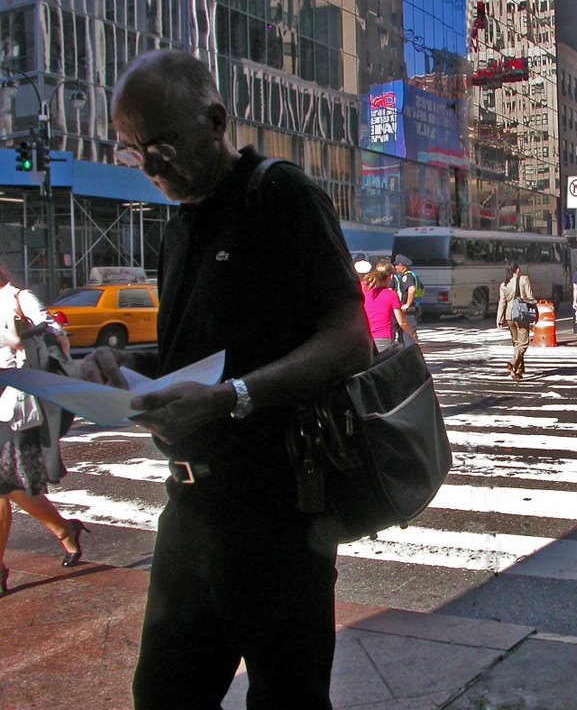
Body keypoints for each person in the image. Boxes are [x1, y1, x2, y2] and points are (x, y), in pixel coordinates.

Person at [79, 49, 373, 710]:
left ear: (215, 120)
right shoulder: (178, 225)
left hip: (280, 515)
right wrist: (121, 372)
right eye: (132, 151)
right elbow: (192, 351)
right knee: (161, 695)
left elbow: (351, 338)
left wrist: (232, 398)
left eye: (160, 146)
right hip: (189, 514)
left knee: (287, 699)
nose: (150, 168)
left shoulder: (282, 195)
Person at [0, 264, 87, 596]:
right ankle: (64, 529)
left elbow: (56, 337)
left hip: (13, 400)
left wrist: (23, 339)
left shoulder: (19, 298)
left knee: (1, 486)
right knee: (8, 484)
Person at [363, 260, 417, 351]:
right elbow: (402, 321)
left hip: (365, 338)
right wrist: (412, 335)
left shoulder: (366, 292)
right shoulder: (390, 295)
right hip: (382, 339)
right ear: (390, 277)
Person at [496, 261, 533, 380]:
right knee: (524, 343)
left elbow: (502, 302)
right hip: (521, 314)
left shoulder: (504, 284)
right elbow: (530, 297)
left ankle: (517, 371)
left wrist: (499, 319)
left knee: (516, 343)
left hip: (509, 315)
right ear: (517, 270)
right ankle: (513, 363)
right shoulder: (524, 279)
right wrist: (535, 310)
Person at [392, 253, 422, 346]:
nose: (395, 268)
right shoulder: (414, 275)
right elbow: (421, 289)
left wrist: (407, 304)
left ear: (402, 266)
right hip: (414, 309)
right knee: (403, 337)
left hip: (408, 312)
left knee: (407, 339)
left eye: (396, 265)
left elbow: (412, 289)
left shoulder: (407, 277)